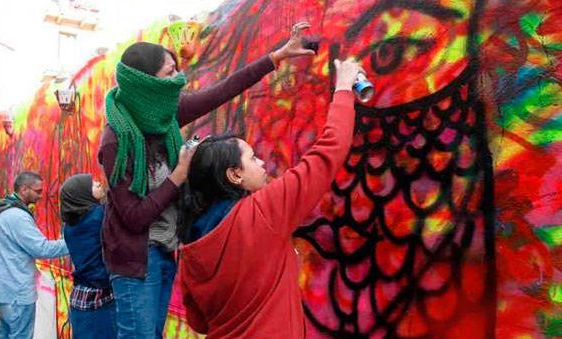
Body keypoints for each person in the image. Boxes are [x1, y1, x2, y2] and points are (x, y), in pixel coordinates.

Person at [98, 22, 315, 338]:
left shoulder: (166, 114)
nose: (178, 79)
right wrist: (179, 174)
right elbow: (133, 217)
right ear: (145, 83)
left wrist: (278, 55)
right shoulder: (116, 141)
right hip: (135, 261)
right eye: (169, 73)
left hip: (163, 250)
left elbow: (224, 89)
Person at [178, 59, 361, 338]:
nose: (262, 163)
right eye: (252, 158)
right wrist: (345, 87)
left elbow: (199, 322)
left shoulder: (190, 247)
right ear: (234, 174)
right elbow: (329, 150)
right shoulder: (264, 210)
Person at [0, 171, 69, 339]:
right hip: (15, 293)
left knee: (5, 333)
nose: (41, 196)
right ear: (24, 189)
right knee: (20, 335)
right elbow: (42, 249)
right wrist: (74, 240)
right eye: (38, 191)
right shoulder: (17, 216)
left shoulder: (1, 210)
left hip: (2, 291)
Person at [60, 174, 116, 339]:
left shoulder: (70, 227)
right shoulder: (97, 217)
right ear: (81, 194)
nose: (98, 183)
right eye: (92, 184)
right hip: (99, 298)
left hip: (81, 295)